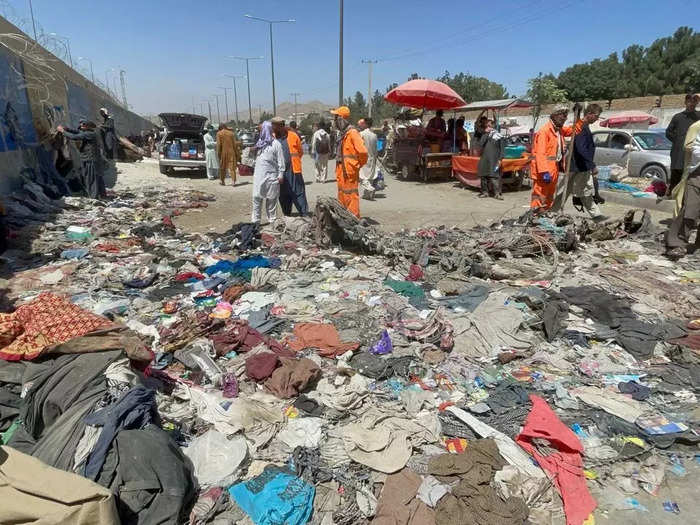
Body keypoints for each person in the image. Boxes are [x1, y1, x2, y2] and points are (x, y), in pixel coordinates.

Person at [552, 104, 606, 219]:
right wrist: (592, 165)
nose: (597, 119)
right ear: (590, 114)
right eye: (596, 116)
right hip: (576, 165)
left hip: (580, 165)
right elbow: (581, 148)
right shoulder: (582, 127)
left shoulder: (583, 126)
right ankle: (551, 212)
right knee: (564, 191)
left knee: (585, 190)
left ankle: (596, 215)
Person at [529, 105, 582, 213]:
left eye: (566, 116)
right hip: (544, 170)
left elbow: (575, 130)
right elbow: (540, 154)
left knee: (549, 197)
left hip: (554, 167)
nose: (565, 119)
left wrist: (578, 115)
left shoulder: (559, 130)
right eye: (563, 116)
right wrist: (544, 171)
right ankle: (533, 218)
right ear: (555, 115)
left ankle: (544, 217)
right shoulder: (545, 131)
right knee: (539, 196)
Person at [666, 123, 700, 258]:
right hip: (697, 177)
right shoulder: (697, 126)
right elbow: (694, 148)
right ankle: (677, 244)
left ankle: (698, 245)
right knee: (690, 211)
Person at [331, 106, 368, 217]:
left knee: (351, 195)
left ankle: (353, 218)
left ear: (341, 119)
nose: (334, 120)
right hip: (341, 169)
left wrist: (356, 165)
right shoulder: (343, 134)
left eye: (336, 117)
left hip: (349, 170)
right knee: (342, 193)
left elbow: (363, 153)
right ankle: (343, 216)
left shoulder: (352, 133)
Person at [58, 120, 106, 199]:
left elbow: (74, 137)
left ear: (88, 126)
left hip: (90, 159)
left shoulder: (89, 134)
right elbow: (78, 132)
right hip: (92, 159)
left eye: (83, 124)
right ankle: (102, 195)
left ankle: (94, 197)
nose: (81, 126)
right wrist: (67, 129)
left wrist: (63, 131)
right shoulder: (90, 133)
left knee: (91, 178)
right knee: (96, 178)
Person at [665, 93, 699, 197]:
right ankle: (671, 194)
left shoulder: (699, 116)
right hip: (678, 151)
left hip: (693, 151)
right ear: (685, 102)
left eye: (694, 101)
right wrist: (678, 141)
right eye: (689, 101)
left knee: (689, 174)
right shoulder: (677, 117)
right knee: (676, 172)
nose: (692, 103)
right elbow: (668, 132)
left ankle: (686, 197)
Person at [251, 121, 284, 223]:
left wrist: (281, 174)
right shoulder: (259, 144)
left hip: (271, 177)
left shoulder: (276, 144)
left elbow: (281, 161)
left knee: (271, 199)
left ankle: (272, 220)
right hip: (259, 176)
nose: (262, 132)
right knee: (257, 198)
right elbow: (253, 159)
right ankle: (255, 222)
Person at [278, 119, 309, 215]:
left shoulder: (293, 135)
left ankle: (304, 214)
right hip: (280, 172)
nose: (274, 129)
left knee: (298, 192)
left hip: (294, 170)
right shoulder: (273, 137)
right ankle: (287, 214)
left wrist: (293, 162)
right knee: (283, 194)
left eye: (276, 127)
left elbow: (300, 152)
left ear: (281, 126)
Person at [476, 120, 504, 200]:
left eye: (489, 126)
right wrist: (486, 134)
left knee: (494, 176)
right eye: (487, 126)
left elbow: (502, 149)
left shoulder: (499, 136)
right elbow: (481, 144)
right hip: (485, 158)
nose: (488, 127)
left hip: (494, 159)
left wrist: (500, 158)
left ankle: (497, 193)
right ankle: (485, 192)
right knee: (483, 176)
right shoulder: (485, 135)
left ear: (493, 127)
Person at [358, 118, 378, 200]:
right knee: (370, 177)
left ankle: (370, 189)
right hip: (372, 158)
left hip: (363, 158)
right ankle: (367, 195)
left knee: (361, 176)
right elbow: (375, 149)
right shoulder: (374, 135)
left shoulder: (361, 134)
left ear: (365, 124)